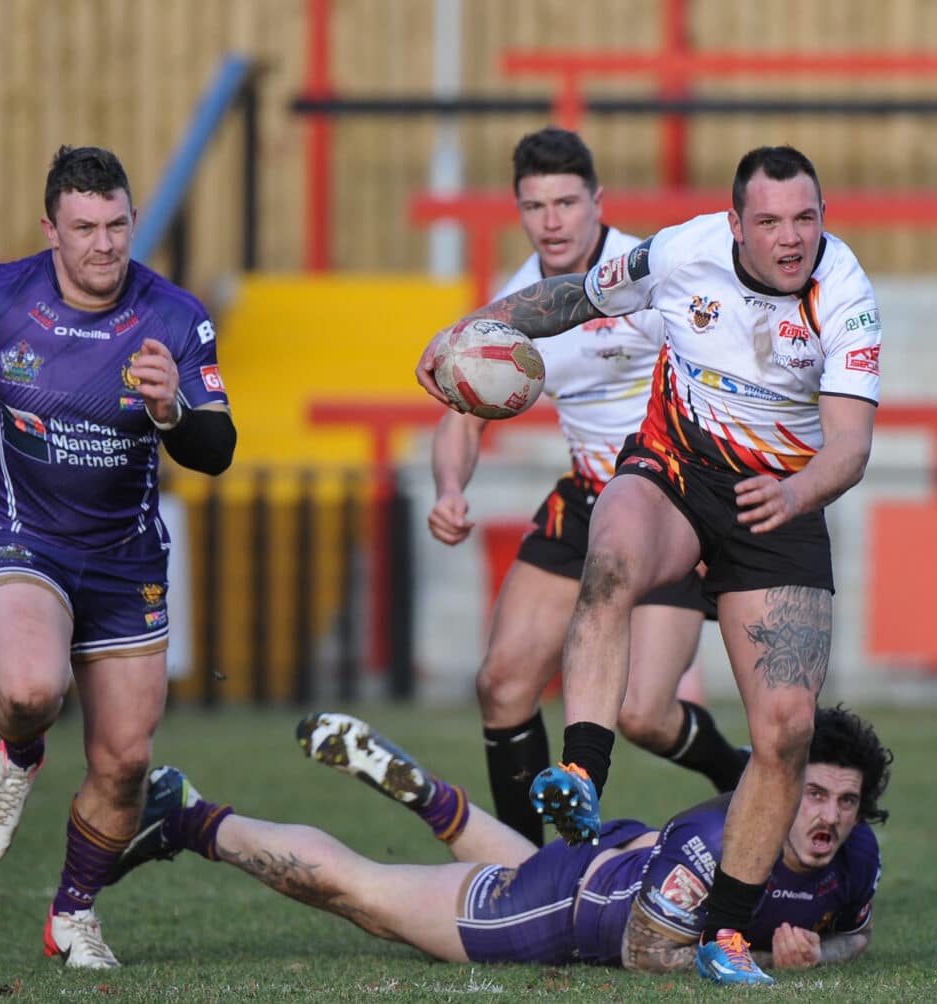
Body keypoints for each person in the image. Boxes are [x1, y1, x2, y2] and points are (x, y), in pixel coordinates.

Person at [415, 145, 881, 984]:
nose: (790, 238)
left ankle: (728, 933)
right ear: (734, 223)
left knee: (785, 732)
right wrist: (473, 331)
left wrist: (799, 492)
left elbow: (850, 444)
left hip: (779, 496)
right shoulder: (678, 250)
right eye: (769, 221)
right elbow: (571, 299)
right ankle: (580, 774)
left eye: (805, 219)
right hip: (670, 469)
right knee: (611, 562)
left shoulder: (845, 294)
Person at [0, 145, 236, 968]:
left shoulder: (175, 318)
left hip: (127, 559)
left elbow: (218, 452)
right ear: (51, 230)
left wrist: (174, 411)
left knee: (127, 759)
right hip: (22, 535)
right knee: (32, 690)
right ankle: (21, 751)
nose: (104, 245)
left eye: (118, 225)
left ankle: (72, 914)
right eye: (85, 228)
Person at [429, 127, 747, 844]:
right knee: (503, 684)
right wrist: (449, 489)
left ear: (597, 201)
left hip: (671, 502)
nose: (552, 220)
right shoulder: (516, 306)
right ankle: (523, 866)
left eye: (567, 202)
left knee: (642, 715)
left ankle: (738, 772)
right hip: (587, 495)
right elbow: (460, 417)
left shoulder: (649, 278)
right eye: (535, 205)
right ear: (518, 210)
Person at [114, 704, 890, 975]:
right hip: (568, 909)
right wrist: (763, 959)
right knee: (362, 894)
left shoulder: (857, 855)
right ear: (777, 786)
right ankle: (185, 811)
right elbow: (650, 956)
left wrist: (815, 953)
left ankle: (433, 798)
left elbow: (851, 935)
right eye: (812, 792)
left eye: (846, 801)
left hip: (612, 864)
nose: (827, 816)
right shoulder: (713, 837)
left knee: (538, 861)